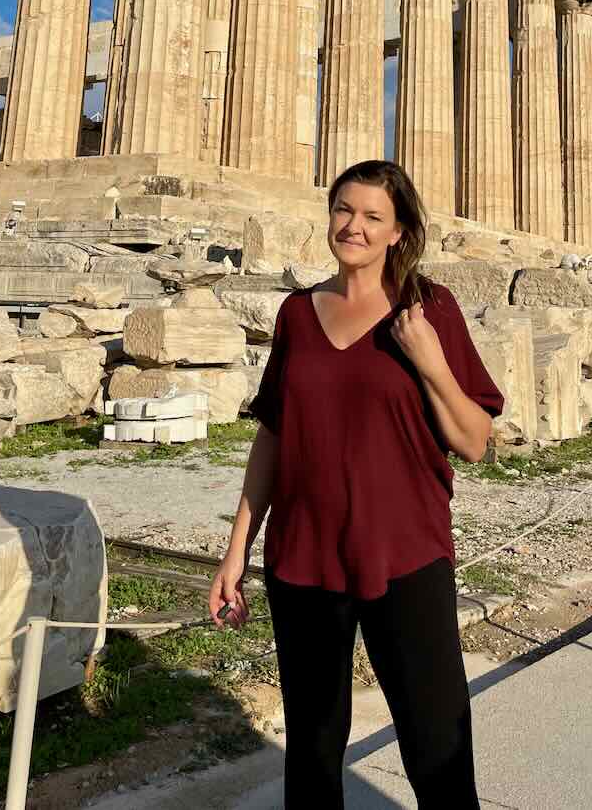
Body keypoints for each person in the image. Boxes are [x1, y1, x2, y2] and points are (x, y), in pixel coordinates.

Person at [209, 159, 504, 809]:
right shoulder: (295, 314)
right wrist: (236, 554)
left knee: (437, 749)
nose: (354, 227)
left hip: (405, 553)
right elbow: (273, 439)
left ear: (398, 231)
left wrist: (427, 358)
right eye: (344, 210)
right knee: (312, 754)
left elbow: (474, 441)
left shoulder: (428, 309)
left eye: (373, 216)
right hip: (303, 559)